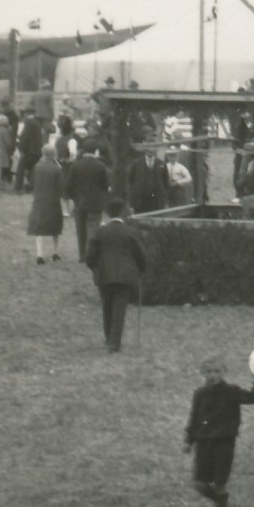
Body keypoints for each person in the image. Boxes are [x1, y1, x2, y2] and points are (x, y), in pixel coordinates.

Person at [184, 356, 254, 507]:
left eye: (217, 371)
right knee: (199, 484)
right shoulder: (199, 394)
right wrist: (189, 440)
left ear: (224, 372)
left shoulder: (232, 391)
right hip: (203, 444)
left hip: (224, 444)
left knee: (219, 483)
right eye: (208, 371)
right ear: (202, 373)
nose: (213, 375)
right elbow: (194, 418)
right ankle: (223, 503)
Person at [85, 198, 147, 352]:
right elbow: (141, 255)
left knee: (107, 306)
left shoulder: (99, 232)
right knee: (120, 308)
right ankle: (114, 342)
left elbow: (89, 257)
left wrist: (96, 268)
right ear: (123, 212)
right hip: (125, 276)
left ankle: (109, 339)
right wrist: (141, 269)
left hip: (104, 275)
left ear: (107, 213)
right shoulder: (131, 232)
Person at [65, 142, 111, 261]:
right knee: (93, 228)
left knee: (80, 230)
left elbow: (68, 185)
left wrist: (74, 198)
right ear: (95, 152)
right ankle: (91, 255)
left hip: (79, 202)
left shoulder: (76, 165)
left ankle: (82, 256)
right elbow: (105, 185)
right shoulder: (101, 166)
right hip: (95, 203)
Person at [26, 144, 66, 264]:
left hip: (39, 199)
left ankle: (40, 254)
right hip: (53, 200)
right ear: (54, 154)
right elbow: (61, 186)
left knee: (39, 227)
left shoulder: (37, 167)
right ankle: (55, 252)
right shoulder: (57, 168)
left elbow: (31, 182)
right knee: (55, 226)